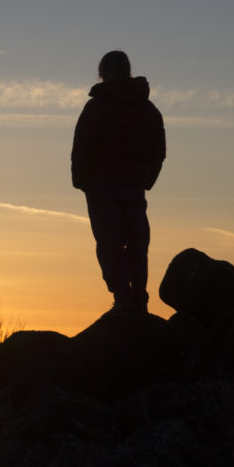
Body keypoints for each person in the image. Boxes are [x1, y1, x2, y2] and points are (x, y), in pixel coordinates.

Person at [71, 50, 166, 316]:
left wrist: (81, 181)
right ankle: (139, 296)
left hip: (102, 187)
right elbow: (159, 151)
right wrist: (146, 180)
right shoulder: (148, 110)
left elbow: (82, 147)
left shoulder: (97, 107)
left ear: (103, 73)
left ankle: (123, 298)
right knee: (137, 244)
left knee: (109, 243)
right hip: (134, 187)